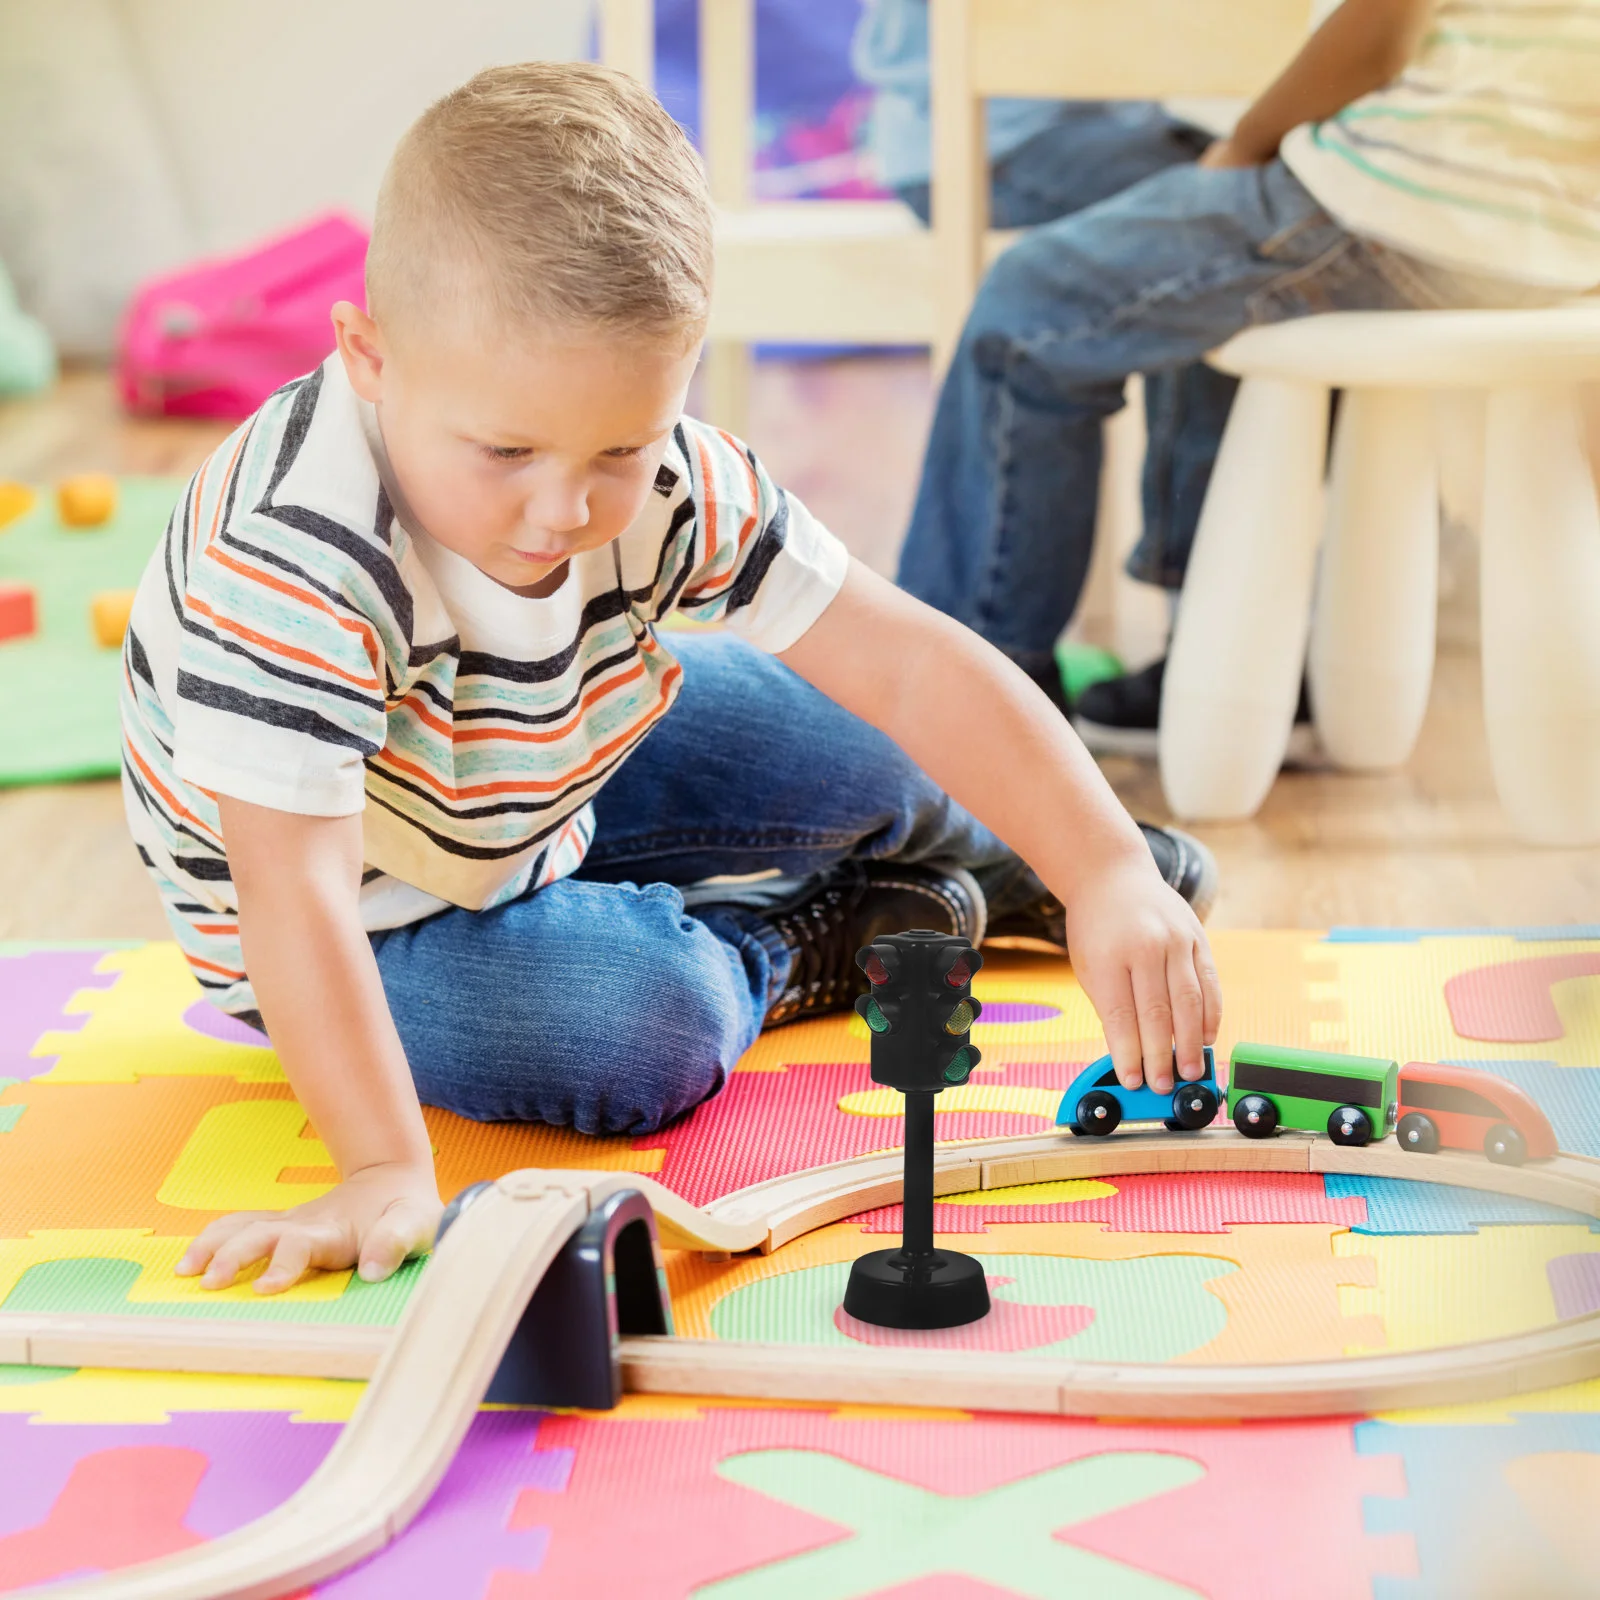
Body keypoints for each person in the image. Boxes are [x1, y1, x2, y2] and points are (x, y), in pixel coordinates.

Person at [119, 63, 1221, 1297]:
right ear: (370, 357)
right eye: (505, 451)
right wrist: (381, 1167)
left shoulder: (669, 480)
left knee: (890, 735)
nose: (563, 510)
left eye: (621, 449)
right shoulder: (291, 561)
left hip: (548, 757)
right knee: (642, 1024)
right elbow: (295, 896)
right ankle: (814, 941)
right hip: (369, 917)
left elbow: (910, 660)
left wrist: (1103, 866)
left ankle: (988, 857)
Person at [894, 0, 1593, 754]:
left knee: (1025, 312)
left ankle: (960, 717)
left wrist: (1246, 145)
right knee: (1197, 267)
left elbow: (1378, 35)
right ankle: (1205, 640)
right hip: (1556, 222)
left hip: (1418, 202)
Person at [853, 0, 1236, 716]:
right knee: (1216, 218)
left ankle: (1215, 634)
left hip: (1101, 124)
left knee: (1226, 211)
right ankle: (988, 665)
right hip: (985, 127)